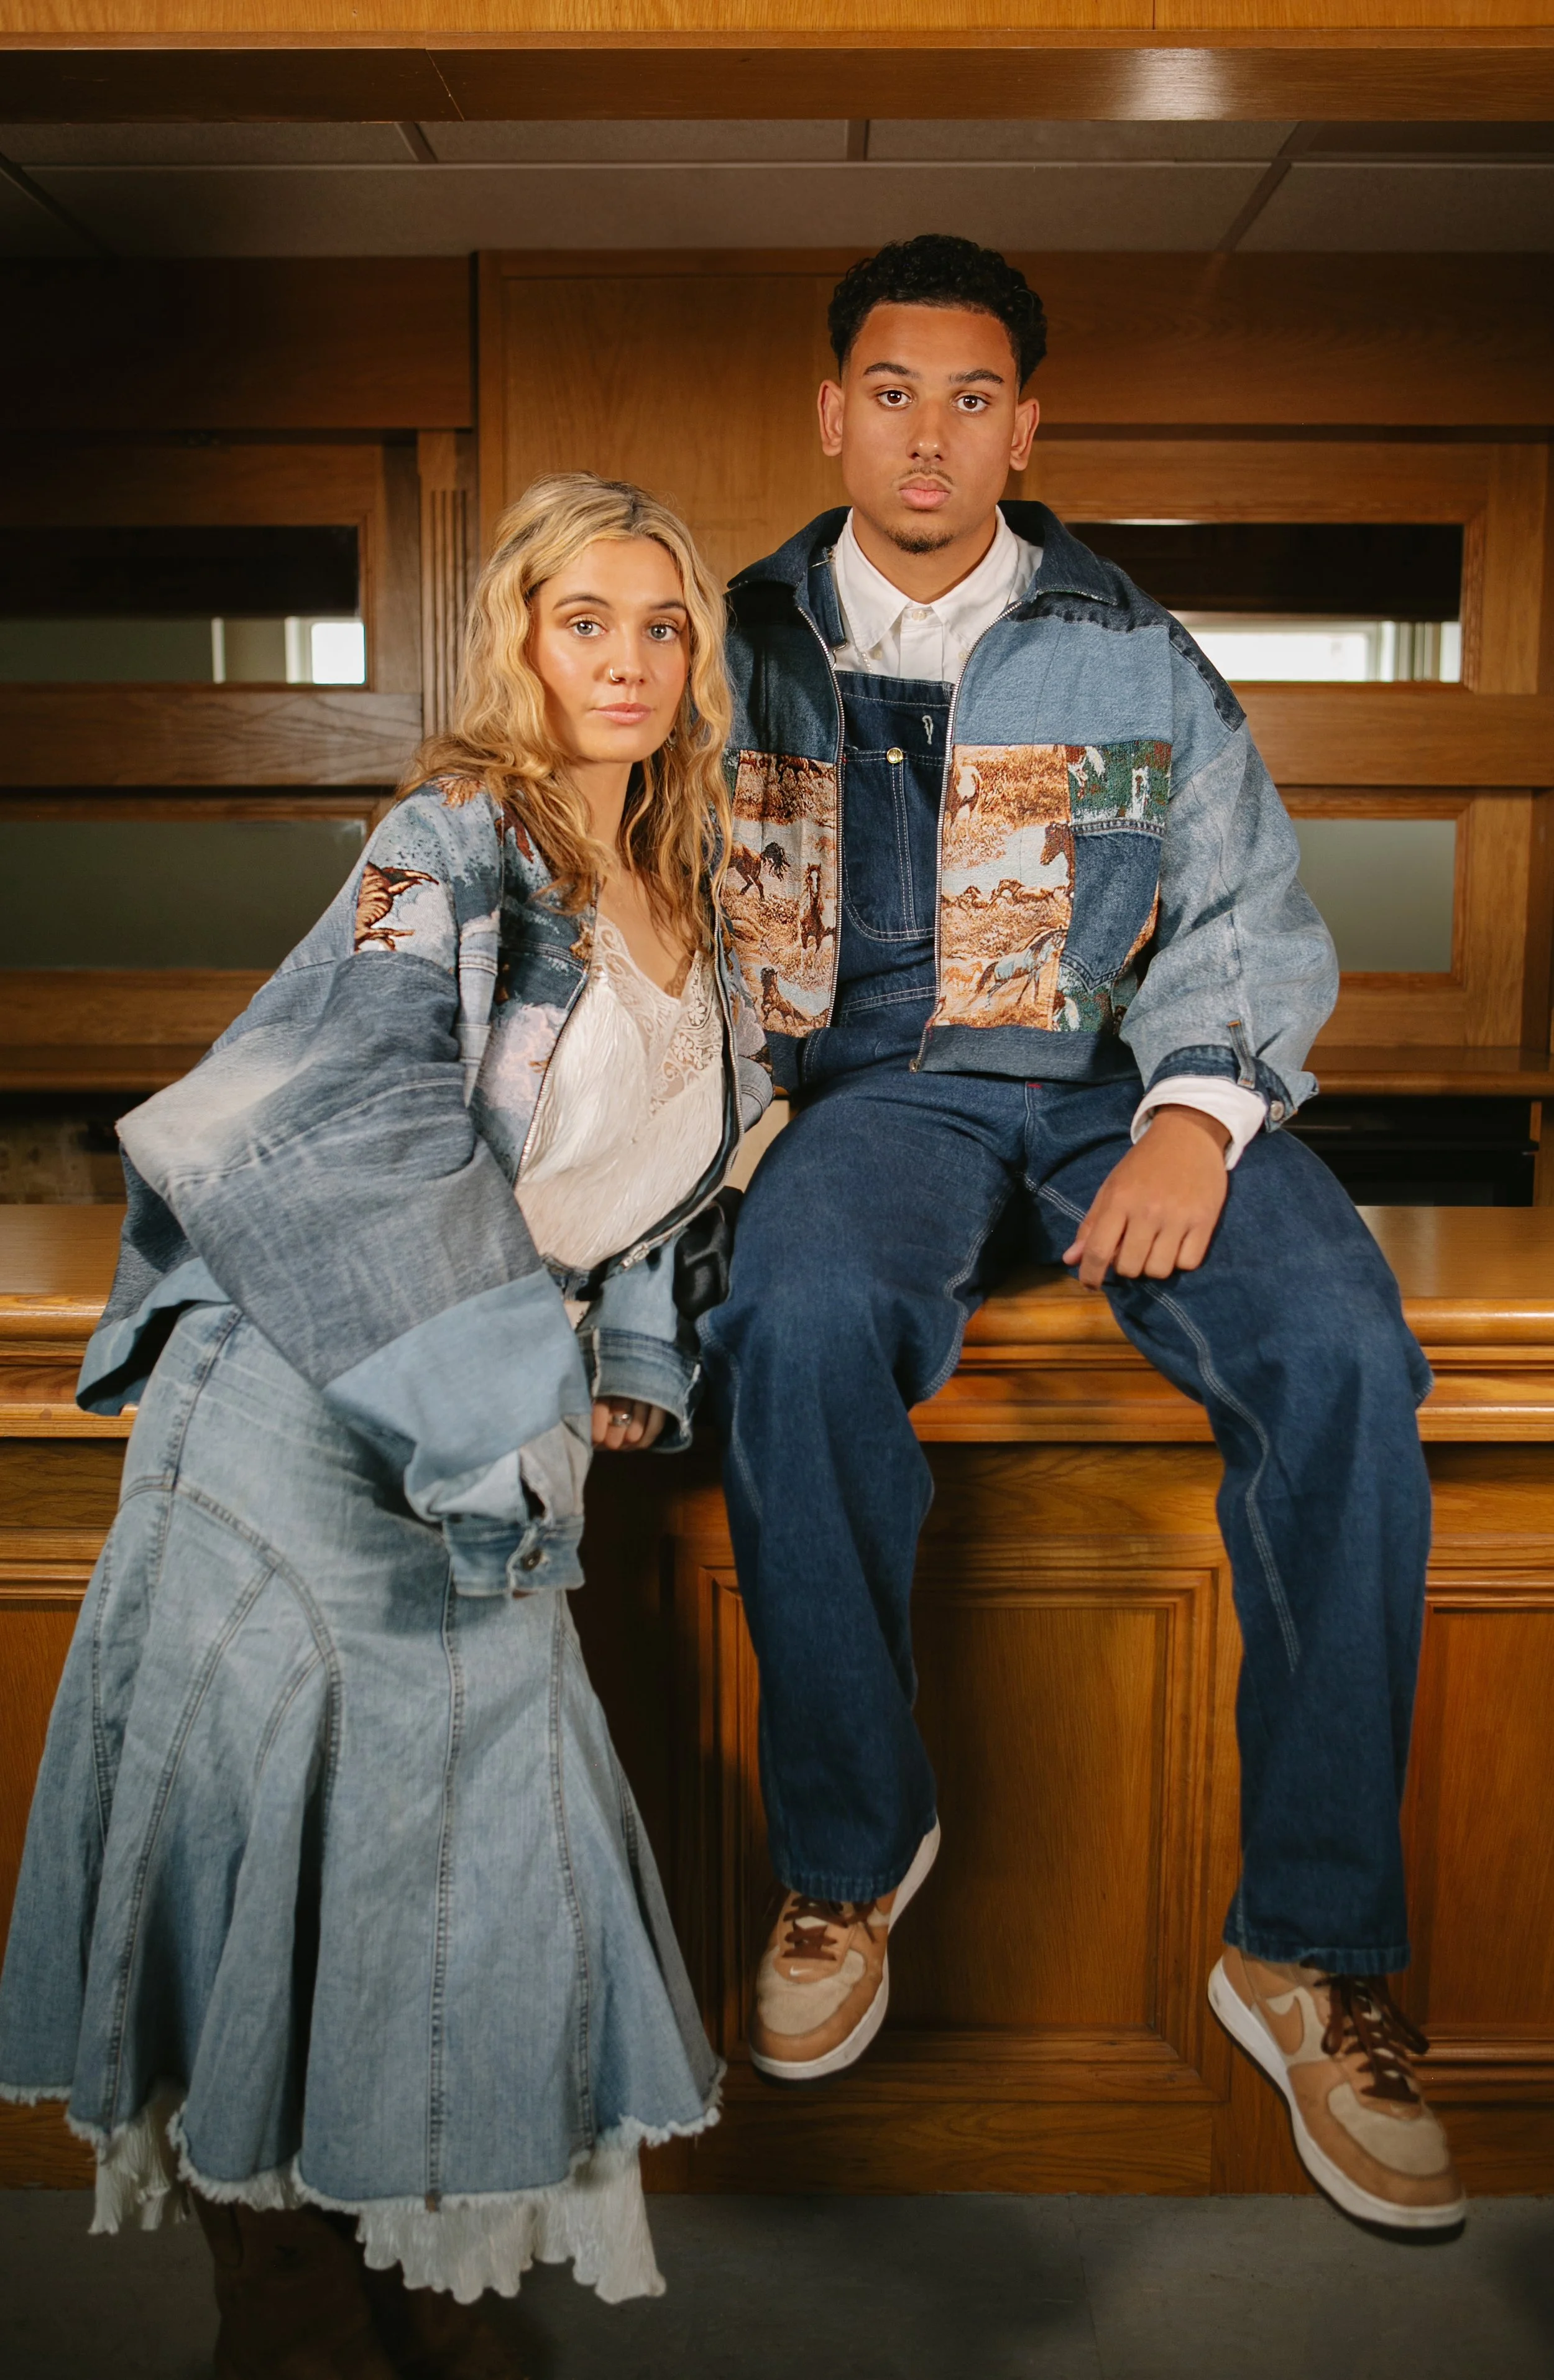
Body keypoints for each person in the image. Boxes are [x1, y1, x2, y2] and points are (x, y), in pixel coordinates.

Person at [704, 234, 1464, 2237]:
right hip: (872, 1100)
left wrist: (1201, 1108)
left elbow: (1239, 912)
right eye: (889, 390)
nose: (929, 432)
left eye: (972, 397)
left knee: (1343, 1353)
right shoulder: (726, 648)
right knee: (787, 1319)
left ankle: (1307, 1946)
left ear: (1025, 424)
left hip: (1118, 1087)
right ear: (829, 409)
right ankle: (849, 1852)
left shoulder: (1132, 646)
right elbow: (656, 933)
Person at [0, 473, 771, 2378]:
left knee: (438, 1893)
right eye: (582, 619)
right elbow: (357, 1105)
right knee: (286, 1862)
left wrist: (630, 1363)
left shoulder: (704, 900)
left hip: (486, 1440)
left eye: (660, 626)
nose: (626, 658)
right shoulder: (443, 842)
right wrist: (505, 1388)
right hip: (308, 1418)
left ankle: (435, 2298)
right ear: (516, 636)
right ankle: (286, 2322)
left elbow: (667, 1192)